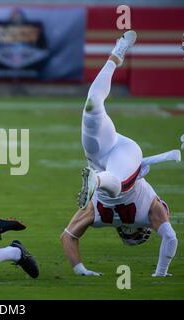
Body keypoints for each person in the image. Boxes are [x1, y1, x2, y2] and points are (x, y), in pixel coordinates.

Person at [60, 30, 180, 277]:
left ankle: (116, 54)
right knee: (118, 183)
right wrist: (160, 273)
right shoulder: (146, 212)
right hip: (124, 156)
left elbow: (68, 236)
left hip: (98, 160)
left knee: (92, 105)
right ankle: (98, 180)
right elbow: (168, 236)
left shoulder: (97, 216)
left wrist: (82, 271)